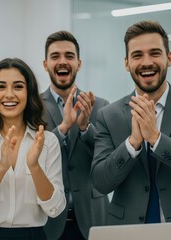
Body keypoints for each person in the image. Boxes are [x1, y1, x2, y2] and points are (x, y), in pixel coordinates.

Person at [91, 20, 171, 240]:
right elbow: (101, 183)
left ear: (168, 58)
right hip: (129, 232)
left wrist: (156, 138)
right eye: (137, 55)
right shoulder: (108, 115)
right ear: (126, 63)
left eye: (155, 53)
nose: (147, 62)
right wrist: (132, 144)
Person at [0, 58, 66, 240]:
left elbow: (55, 209)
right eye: (1, 87)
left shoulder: (48, 141)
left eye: (18, 87)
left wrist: (34, 167)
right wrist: (1, 168)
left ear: (29, 92)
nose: (9, 94)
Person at [41, 30, 109, 240]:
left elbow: (107, 160)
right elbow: (32, 158)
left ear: (79, 63)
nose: (62, 61)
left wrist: (84, 128)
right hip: (47, 221)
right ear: (45, 65)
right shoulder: (31, 107)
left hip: (92, 219)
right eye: (55, 56)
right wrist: (62, 128)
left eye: (69, 56)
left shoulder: (101, 107)